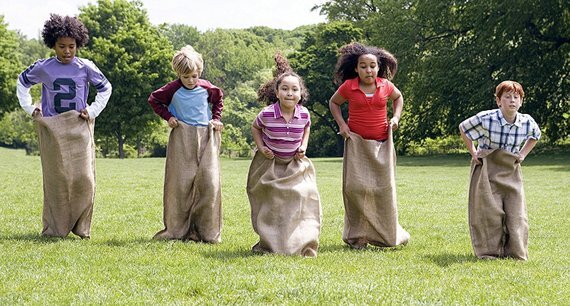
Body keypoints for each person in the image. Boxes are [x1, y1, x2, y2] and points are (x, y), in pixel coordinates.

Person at [16, 14, 112, 238]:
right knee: (56, 179)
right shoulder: (44, 67)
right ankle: (55, 228)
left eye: (72, 46)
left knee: (84, 178)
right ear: (53, 45)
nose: (67, 51)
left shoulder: (86, 66)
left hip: (79, 125)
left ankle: (81, 226)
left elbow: (106, 88)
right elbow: (22, 82)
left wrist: (93, 110)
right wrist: (30, 107)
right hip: (53, 126)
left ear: (78, 44)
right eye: (62, 46)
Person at [329, 42, 410, 249]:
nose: (368, 70)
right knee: (354, 188)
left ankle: (387, 235)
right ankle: (358, 237)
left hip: (382, 143)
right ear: (356, 69)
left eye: (372, 66)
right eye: (363, 66)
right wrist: (342, 125)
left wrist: (396, 117)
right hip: (356, 144)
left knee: (384, 189)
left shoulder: (386, 86)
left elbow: (398, 98)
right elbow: (334, 103)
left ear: (378, 67)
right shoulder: (349, 87)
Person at [247, 53, 322, 257]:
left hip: (295, 165)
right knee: (272, 202)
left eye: (294, 89)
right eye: (285, 89)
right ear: (277, 93)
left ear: (301, 94)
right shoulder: (267, 114)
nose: (290, 93)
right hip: (271, 165)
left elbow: (306, 128)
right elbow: (255, 128)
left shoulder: (304, 113)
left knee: (302, 196)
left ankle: (300, 240)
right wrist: (262, 147)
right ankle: (271, 242)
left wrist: (303, 146)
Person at [148, 45, 224, 242]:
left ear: (199, 72)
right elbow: (154, 100)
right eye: (186, 76)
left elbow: (218, 100)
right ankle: (177, 229)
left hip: (206, 135)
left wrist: (216, 119)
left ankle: (207, 231)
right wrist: (168, 117)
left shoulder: (207, 87)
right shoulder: (172, 89)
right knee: (180, 184)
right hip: (182, 136)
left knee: (209, 182)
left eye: (194, 76)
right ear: (178, 74)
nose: (191, 80)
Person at [459, 80, 540, 260]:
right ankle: (489, 252)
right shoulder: (486, 118)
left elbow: (536, 135)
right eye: (507, 97)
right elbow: (463, 128)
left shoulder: (527, 122)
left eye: (516, 97)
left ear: (521, 101)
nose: (512, 100)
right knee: (489, 212)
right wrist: (473, 152)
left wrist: (523, 154)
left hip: (511, 169)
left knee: (516, 212)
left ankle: (516, 253)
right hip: (487, 167)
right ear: (498, 101)